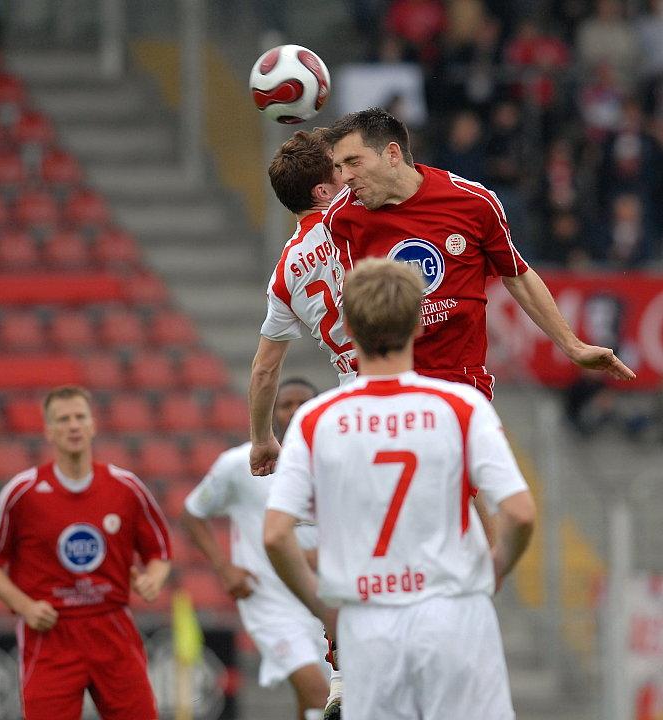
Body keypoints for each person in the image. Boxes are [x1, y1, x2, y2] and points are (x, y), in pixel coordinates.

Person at [263, 258, 536, 720]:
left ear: (347, 325)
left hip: (369, 623)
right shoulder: (461, 406)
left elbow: (274, 535)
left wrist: (323, 606)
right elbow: (521, 513)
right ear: (416, 322)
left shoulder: (316, 419)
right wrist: (495, 567)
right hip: (454, 613)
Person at [322, 106, 635, 400]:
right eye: (338, 167)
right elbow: (355, 308)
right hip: (388, 385)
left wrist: (573, 346)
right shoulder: (343, 218)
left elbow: (518, 275)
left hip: (461, 385)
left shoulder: (473, 202)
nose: (345, 177)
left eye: (353, 162)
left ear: (392, 154)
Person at [0, 386, 172, 720]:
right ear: (48, 430)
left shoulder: (126, 487)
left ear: (93, 425)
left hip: (112, 628)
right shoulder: (24, 491)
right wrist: (25, 607)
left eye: (80, 417)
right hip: (50, 634)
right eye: (63, 419)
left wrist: (154, 578)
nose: (73, 426)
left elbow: (159, 550)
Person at [182, 378, 329, 720]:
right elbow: (192, 514)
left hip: (322, 602)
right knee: (318, 693)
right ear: (271, 412)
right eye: (285, 404)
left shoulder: (331, 463)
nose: (294, 411)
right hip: (270, 603)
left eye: (302, 404)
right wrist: (224, 568)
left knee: (316, 698)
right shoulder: (239, 465)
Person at [250, 129, 352, 478]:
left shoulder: (285, 273)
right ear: (323, 191)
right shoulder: (362, 218)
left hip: (352, 401)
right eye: (340, 168)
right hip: (412, 375)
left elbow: (264, 370)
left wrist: (261, 439)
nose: (349, 173)